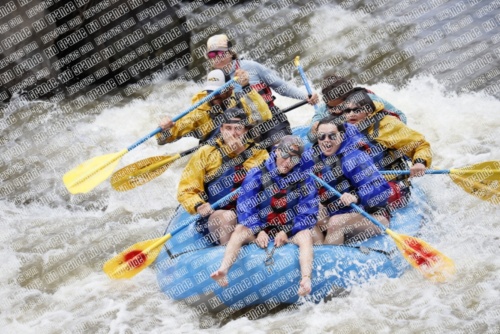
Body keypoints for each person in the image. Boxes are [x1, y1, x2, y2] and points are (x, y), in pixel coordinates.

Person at [210, 136, 318, 297]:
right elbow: (245, 206)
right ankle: (224, 269)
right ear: (277, 151)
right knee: (240, 229)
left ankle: (306, 279)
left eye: (294, 159)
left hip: (288, 232)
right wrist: (258, 229)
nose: (288, 162)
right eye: (285, 155)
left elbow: (308, 213)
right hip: (259, 230)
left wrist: (287, 231)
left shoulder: (305, 179)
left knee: (306, 235)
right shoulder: (257, 173)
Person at [206, 34, 319, 150]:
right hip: (240, 129)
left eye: (220, 53)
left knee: (282, 150)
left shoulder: (252, 67)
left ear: (230, 52)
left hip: (270, 119)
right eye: (211, 54)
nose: (216, 57)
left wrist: (305, 96)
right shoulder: (213, 80)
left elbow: (281, 87)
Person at [176, 109, 269, 245]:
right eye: (228, 128)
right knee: (228, 216)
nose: (233, 133)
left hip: (250, 214)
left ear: (245, 130)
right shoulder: (206, 152)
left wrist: (242, 154)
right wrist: (198, 205)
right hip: (217, 216)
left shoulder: (259, 152)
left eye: (238, 128)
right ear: (221, 129)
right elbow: (186, 189)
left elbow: (266, 179)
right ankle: (225, 253)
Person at [333, 90, 432, 210]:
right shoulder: (341, 128)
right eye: (347, 111)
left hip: (392, 185)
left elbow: (420, 144)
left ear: (368, 111)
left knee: (370, 199)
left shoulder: (388, 124)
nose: (351, 114)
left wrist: (420, 162)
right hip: (361, 184)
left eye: (357, 110)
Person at [300, 117, 391, 245]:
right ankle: (319, 251)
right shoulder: (314, 155)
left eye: (332, 136)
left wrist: (356, 197)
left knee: (335, 223)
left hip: (372, 216)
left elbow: (382, 190)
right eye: (322, 136)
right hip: (337, 211)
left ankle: (328, 259)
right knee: (309, 212)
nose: (326, 140)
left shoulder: (355, 158)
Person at [156, 68, 271, 145]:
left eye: (218, 91)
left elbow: (265, 116)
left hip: (243, 149)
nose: (213, 95)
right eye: (210, 91)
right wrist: (164, 129)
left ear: (230, 89)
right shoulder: (198, 112)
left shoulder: (240, 101)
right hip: (217, 156)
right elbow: (163, 139)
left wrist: (246, 86)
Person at [309, 72, 407, 140]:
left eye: (341, 107)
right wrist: (316, 129)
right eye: (331, 107)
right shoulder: (323, 109)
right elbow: (310, 137)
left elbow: (401, 116)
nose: (336, 111)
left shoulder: (370, 100)